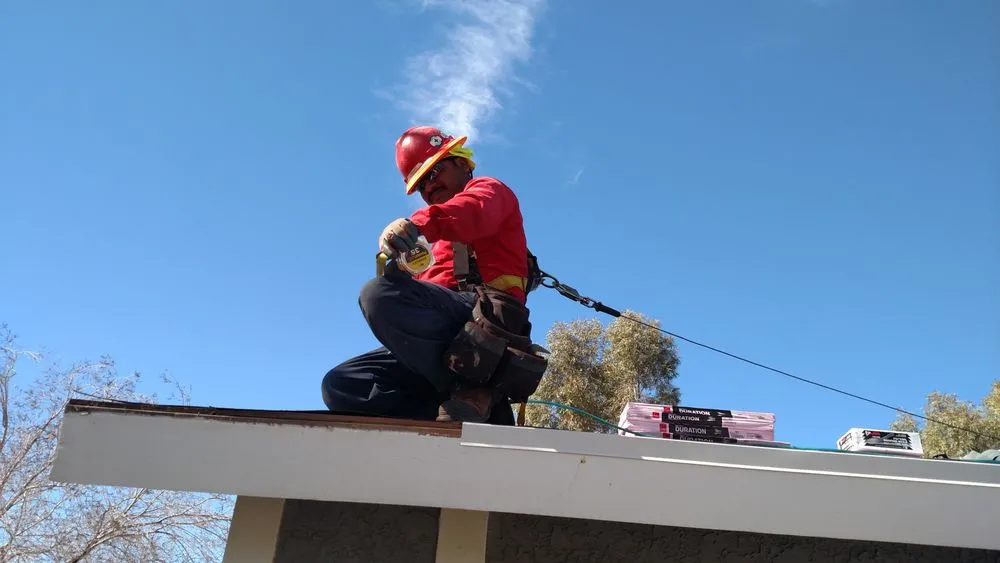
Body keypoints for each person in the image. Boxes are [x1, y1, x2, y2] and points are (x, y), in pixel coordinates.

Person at [321, 125, 544, 424]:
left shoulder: (489, 192)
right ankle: (445, 411)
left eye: (435, 172)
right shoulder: (431, 244)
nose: (428, 186)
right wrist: (396, 272)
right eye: (421, 184)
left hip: (485, 322)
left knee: (376, 294)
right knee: (342, 384)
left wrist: (414, 225)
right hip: (446, 339)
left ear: (462, 163)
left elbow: (472, 211)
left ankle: (477, 392)